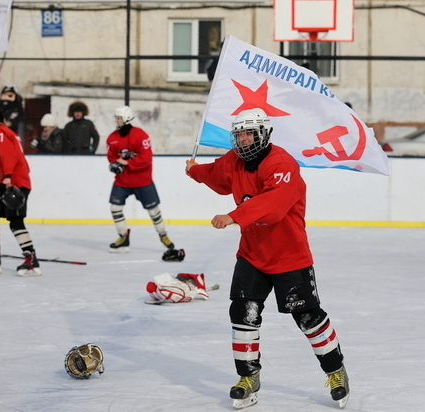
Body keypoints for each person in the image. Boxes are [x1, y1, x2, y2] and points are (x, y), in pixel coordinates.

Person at [185, 108, 349, 409]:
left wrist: (234, 216)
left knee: (308, 318)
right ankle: (248, 378)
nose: (244, 140)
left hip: (290, 257)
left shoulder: (282, 164)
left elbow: (272, 206)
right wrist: (194, 170)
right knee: (243, 313)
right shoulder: (234, 161)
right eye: (239, 134)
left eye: (249, 133)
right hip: (252, 255)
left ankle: (336, 372)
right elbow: (216, 175)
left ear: (264, 134)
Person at [0, 109, 41, 276]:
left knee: (16, 221)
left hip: (13, 183)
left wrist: (8, 177)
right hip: (14, 181)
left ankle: (31, 259)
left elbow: (8, 155)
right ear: (3, 119)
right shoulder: (9, 132)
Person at [106, 105, 176, 253]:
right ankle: (123, 236)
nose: (116, 120)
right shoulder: (112, 138)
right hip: (122, 181)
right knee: (115, 208)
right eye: (116, 118)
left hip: (142, 181)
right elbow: (112, 156)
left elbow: (146, 158)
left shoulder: (140, 135)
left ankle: (163, 234)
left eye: (119, 118)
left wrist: (127, 162)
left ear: (126, 119)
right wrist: (114, 164)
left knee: (153, 210)